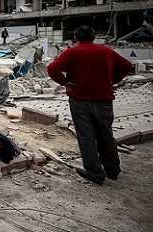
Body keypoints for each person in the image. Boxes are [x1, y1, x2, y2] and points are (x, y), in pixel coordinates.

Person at [47, 25, 133, 185]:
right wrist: (113, 80)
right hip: (104, 100)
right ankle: (113, 170)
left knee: (86, 137)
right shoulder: (106, 51)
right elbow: (127, 66)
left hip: (80, 101)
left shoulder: (73, 52)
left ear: (76, 37)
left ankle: (95, 173)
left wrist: (65, 82)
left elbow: (52, 68)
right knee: (106, 135)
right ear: (94, 37)